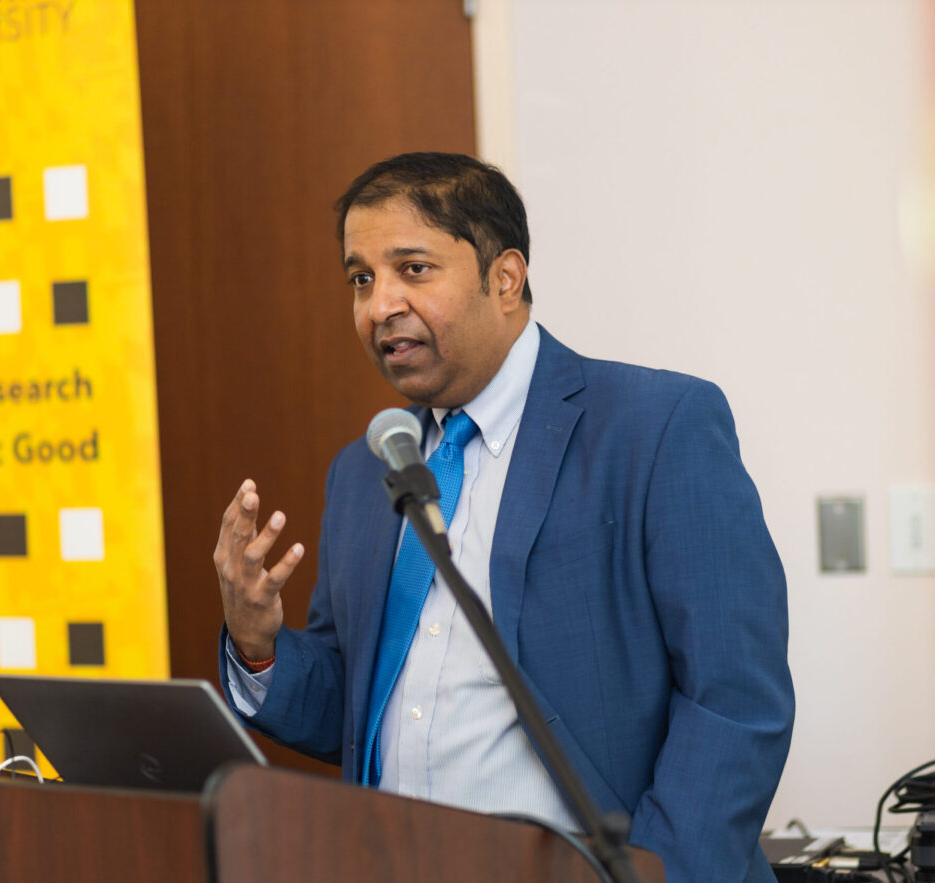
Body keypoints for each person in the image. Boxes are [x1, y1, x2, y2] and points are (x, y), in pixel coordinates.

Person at [213, 152, 793, 882]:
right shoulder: (366, 472)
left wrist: (656, 874)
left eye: (413, 269)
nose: (379, 303)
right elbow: (346, 711)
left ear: (506, 277)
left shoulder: (653, 428)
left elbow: (735, 698)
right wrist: (258, 644)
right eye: (360, 278)